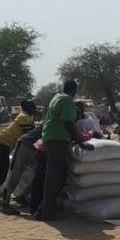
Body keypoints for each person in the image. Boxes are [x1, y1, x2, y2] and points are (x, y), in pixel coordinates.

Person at [37, 81, 82, 220]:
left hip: (50, 138)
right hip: (58, 140)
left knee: (61, 175)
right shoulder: (67, 100)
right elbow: (68, 122)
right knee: (54, 177)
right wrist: (80, 140)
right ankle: (46, 212)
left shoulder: (57, 97)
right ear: (74, 91)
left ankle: (43, 209)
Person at [0, 100, 36, 204]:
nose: (34, 108)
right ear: (27, 108)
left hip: (3, 144)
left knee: (1, 171)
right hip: (0, 143)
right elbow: (29, 135)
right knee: (0, 171)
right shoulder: (24, 117)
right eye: (32, 106)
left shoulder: (28, 117)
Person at [0, 124, 42, 214]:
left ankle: (21, 196)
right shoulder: (57, 121)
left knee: (37, 175)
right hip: (25, 144)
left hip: (36, 148)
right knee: (15, 174)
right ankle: (5, 204)